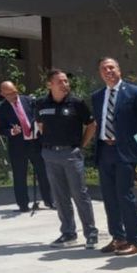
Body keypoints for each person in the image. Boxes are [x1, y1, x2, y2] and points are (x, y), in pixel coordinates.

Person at [91, 57, 137, 256]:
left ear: (119, 70)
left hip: (125, 152)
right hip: (104, 150)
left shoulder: (134, 92)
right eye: (104, 69)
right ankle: (119, 237)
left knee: (125, 195)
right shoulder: (97, 96)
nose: (108, 71)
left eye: (111, 67)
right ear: (100, 73)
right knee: (109, 197)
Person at [35, 69, 99, 248]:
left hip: (71, 154)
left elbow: (91, 125)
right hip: (50, 155)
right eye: (60, 82)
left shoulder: (76, 103)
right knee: (60, 195)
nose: (65, 84)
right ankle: (68, 233)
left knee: (80, 194)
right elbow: (40, 125)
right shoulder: (41, 104)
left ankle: (91, 233)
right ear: (50, 85)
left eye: (66, 81)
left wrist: (81, 145)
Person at [0, 81, 53, 212]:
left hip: (35, 141)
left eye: (15, 91)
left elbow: (39, 116)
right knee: (20, 175)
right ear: (3, 94)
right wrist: (11, 131)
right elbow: (1, 129)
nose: (14, 95)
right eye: (10, 94)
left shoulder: (29, 100)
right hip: (18, 145)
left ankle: (49, 200)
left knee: (43, 172)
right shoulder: (1, 109)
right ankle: (23, 204)